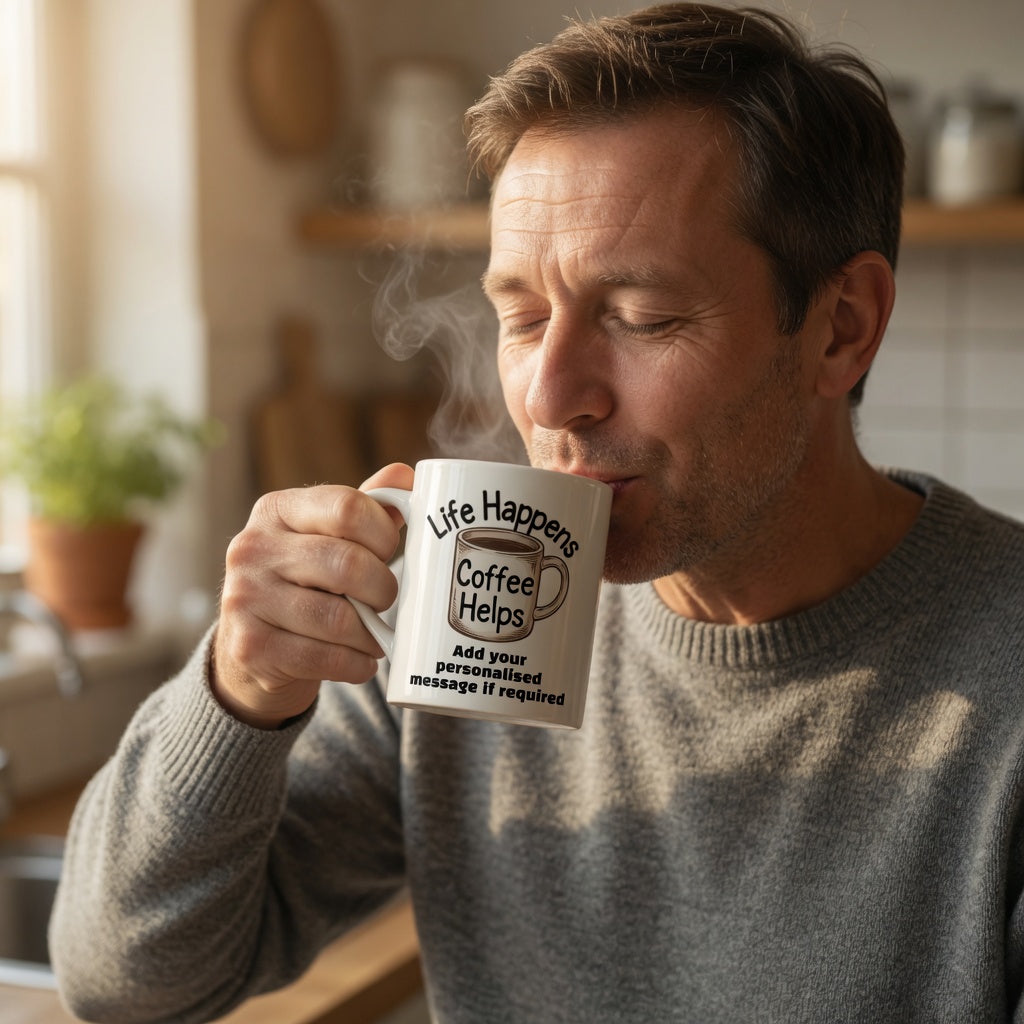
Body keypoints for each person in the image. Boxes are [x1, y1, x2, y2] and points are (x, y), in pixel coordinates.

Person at [51, 4, 1024, 1022]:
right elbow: (129, 983)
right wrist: (240, 690)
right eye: (520, 317)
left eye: (641, 317)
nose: (550, 398)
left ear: (842, 327)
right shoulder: (467, 617)